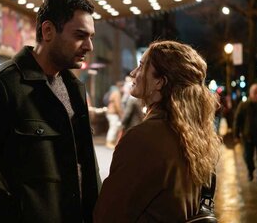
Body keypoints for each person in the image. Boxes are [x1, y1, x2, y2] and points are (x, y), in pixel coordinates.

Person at [0, 0, 101, 223]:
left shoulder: (74, 87)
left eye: (91, 36)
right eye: (80, 35)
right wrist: (12, 216)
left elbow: (85, 164)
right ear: (48, 31)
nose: (89, 46)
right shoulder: (2, 87)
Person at [93, 40, 222, 222]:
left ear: (159, 82)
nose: (133, 73)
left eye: (141, 66)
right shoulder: (196, 134)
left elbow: (108, 215)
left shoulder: (143, 139)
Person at [104, 81, 124, 149]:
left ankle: (111, 142)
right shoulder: (117, 93)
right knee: (113, 127)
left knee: (113, 127)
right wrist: (121, 114)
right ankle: (109, 142)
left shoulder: (114, 92)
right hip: (113, 113)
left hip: (111, 112)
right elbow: (117, 105)